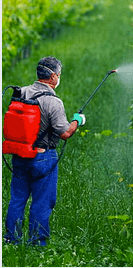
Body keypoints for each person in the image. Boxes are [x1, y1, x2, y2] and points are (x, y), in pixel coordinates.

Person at [4, 56, 86, 246]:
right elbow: (65, 133)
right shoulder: (53, 102)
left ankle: (11, 240)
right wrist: (78, 121)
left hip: (20, 154)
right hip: (43, 158)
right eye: (58, 74)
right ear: (52, 77)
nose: (59, 78)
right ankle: (37, 244)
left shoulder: (22, 92)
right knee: (42, 202)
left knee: (17, 200)